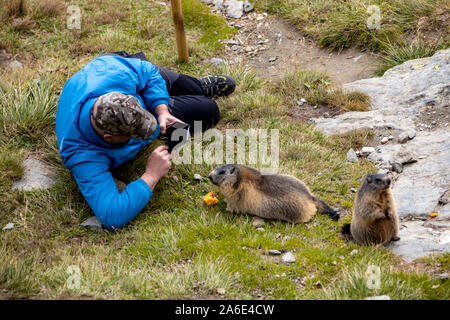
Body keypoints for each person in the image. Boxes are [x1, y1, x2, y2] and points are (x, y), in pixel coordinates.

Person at [56, 51, 236, 230]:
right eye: (135, 134)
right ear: (108, 138)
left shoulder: (115, 73)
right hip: (95, 92)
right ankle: (187, 94)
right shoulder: (82, 154)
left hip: (109, 67)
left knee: (188, 91)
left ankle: (198, 86)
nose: (148, 136)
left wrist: (161, 110)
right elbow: (111, 215)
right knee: (208, 109)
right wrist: (151, 175)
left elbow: (149, 72)